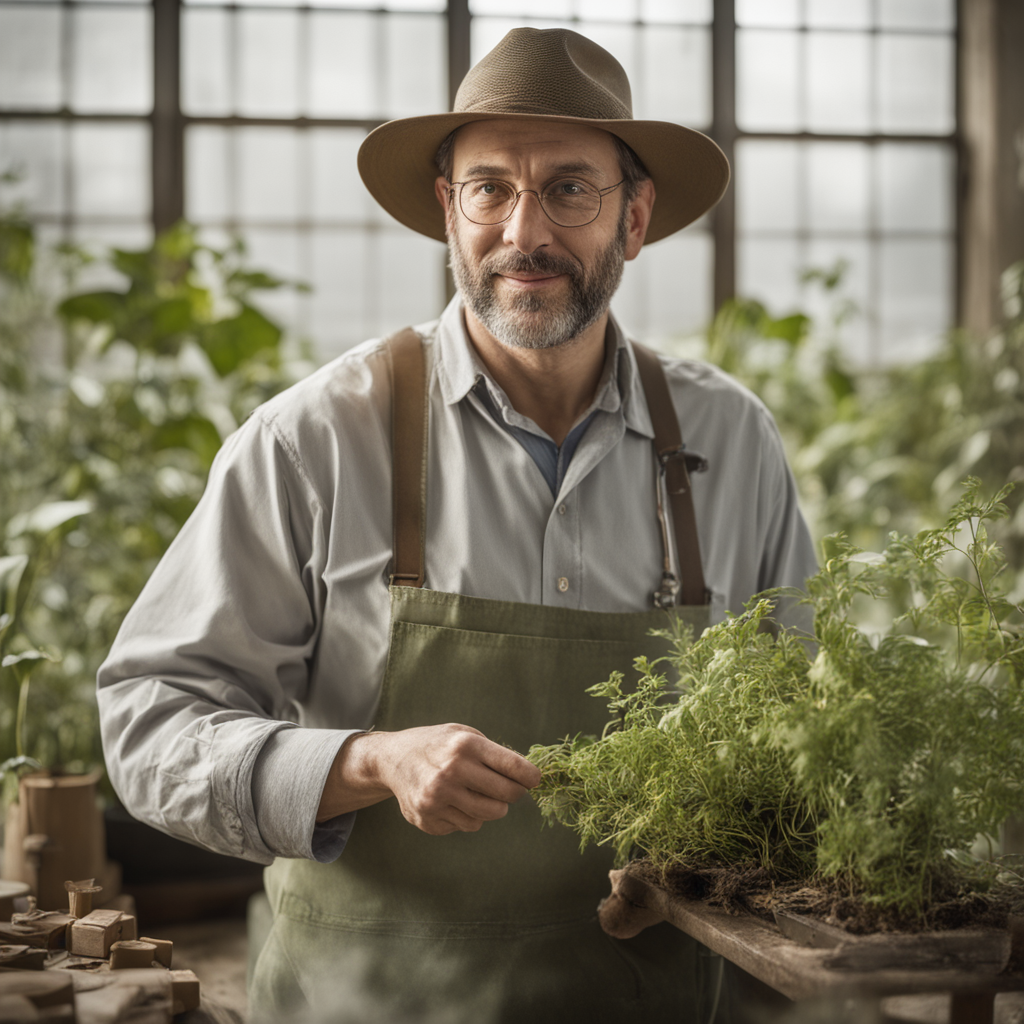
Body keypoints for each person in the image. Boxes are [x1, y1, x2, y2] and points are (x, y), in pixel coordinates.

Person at [98, 26, 818, 1024]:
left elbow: (804, 737)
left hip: (650, 998)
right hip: (367, 1004)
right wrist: (365, 762)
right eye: (489, 188)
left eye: (570, 189)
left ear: (636, 219)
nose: (525, 230)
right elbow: (150, 722)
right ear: (448, 210)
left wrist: (719, 856)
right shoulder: (314, 439)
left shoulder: (730, 441)